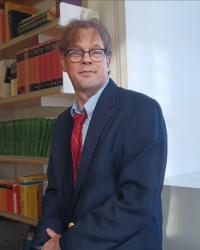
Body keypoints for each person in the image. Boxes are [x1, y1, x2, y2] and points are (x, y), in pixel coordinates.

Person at [31, 18, 167, 250]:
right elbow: (54, 192)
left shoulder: (142, 110)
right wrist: (45, 242)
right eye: (76, 52)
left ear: (108, 60)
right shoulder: (63, 122)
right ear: (63, 62)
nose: (86, 59)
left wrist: (66, 243)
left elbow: (136, 203)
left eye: (95, 51)